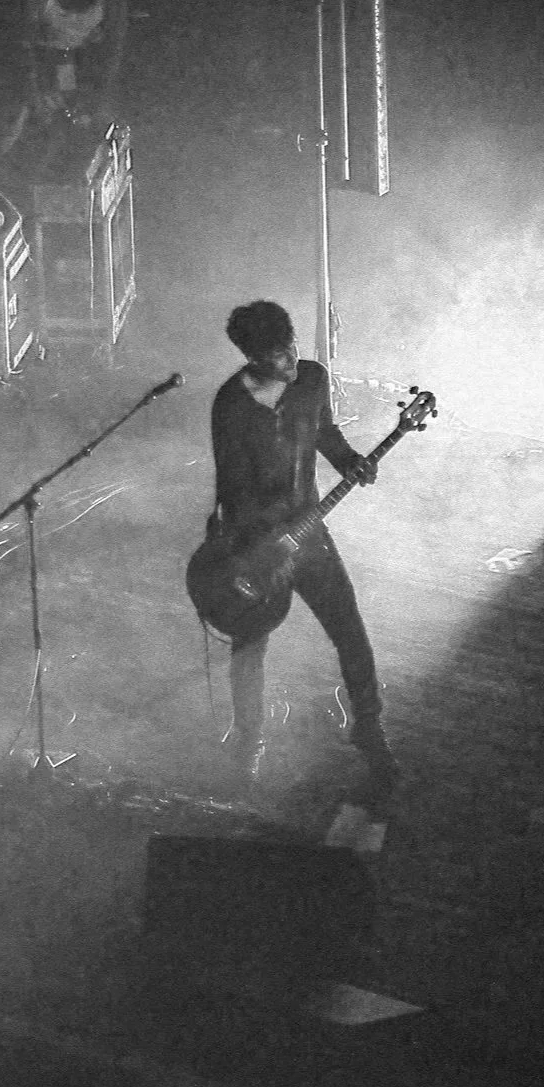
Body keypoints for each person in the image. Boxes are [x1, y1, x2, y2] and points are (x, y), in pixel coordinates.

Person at [210, 300, 396, 792]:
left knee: (349, 628)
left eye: (291, 346)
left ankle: (370, 728)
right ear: (252, 358)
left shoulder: (311, 381)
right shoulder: (230, 406)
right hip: (256, 548)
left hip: (310, 534)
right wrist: (263, 544)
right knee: (249, 648)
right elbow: (233, 489)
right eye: (277, 355)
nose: (291, 360)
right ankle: (248, 745)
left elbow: (326, 435)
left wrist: (352, 461)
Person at [0, 0, 128, 174]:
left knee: (94, 124)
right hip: (42, 65)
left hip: (81, 66)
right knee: (22, 119)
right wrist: (35, 92)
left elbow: (113, 53)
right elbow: (24, 47)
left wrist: (94, 97)